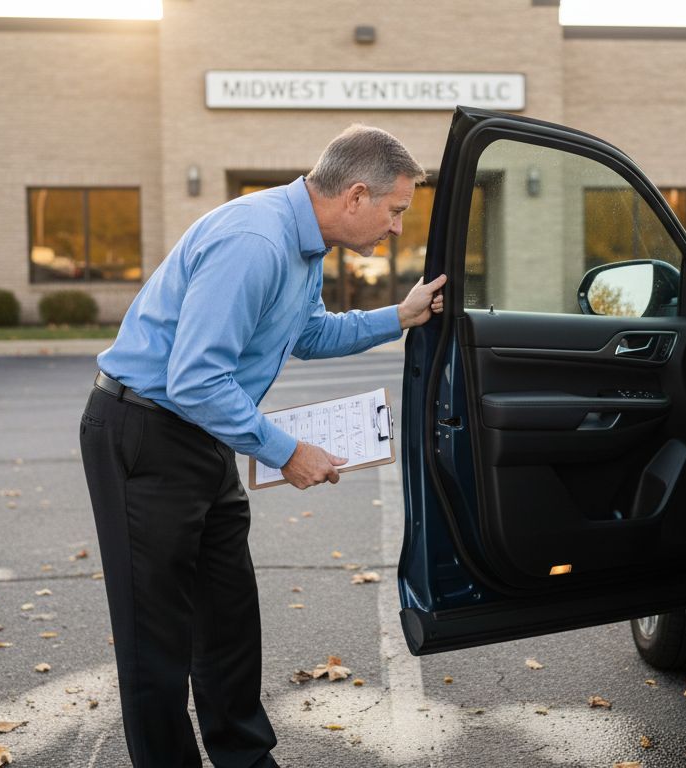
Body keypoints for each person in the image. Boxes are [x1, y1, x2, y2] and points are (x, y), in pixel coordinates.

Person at [79, 124, 445, 768]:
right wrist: (284, 449)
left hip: (200, 437)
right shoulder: (256, 239)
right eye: (396, 211)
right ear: (356, 196)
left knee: (227, 622)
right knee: (156, 641)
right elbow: (195, 377)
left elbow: (307, 334)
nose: (396, 228)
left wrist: (400, 316)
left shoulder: (304, 244)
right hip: (145, 434)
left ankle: (245, 760)